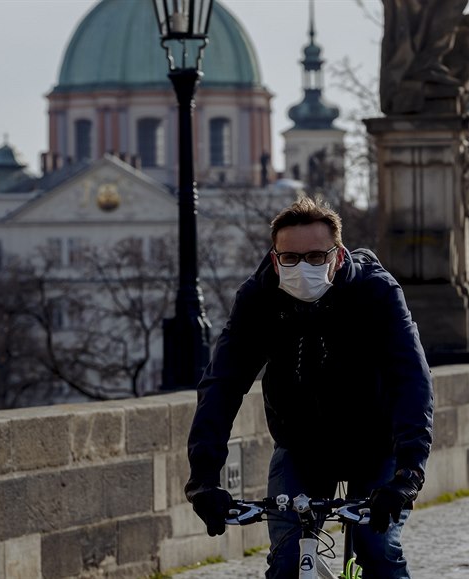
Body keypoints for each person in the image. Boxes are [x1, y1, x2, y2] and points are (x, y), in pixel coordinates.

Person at [184, 196, 434, 578]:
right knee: (286, 561)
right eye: (291, 258)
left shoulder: (376, 292)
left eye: (317, 257)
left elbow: (411, 379)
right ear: (274, 259)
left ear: (337, 255)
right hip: (302, 446)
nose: (303, 267)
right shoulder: (259, 298)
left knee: (375, 548)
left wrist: (408, 474)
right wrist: (203, 478)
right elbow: (222, 384)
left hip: (377, 443)